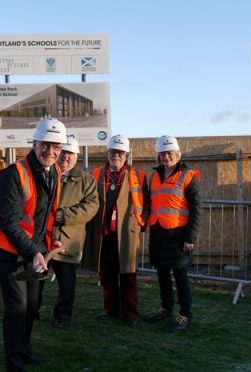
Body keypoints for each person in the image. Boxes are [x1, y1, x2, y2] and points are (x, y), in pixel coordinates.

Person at [0, 117, 67, 372]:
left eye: (56, 147)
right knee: (17, 307)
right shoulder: (13, 174)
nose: (50, 152)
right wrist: (33, 252)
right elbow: (9, 223)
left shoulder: (54, 172)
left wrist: (48, 240)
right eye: (46, 145)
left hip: (34, 251)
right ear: (35, 142)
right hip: (7, 250)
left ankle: (24, 348)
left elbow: (43, 215)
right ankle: (14, 362)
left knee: (32, 306)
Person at [83, 134, 150, 327]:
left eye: (120, 152)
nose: (116, 156)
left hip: (126, 233)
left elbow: (147, 203)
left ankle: (130, 313)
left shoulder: (138, 176)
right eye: (113, 152)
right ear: (107, 153)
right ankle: (110, 309)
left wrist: (140, 223)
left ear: (126, 155)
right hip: (104, 233)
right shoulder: (96, 174)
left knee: (128, 274)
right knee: (107, 274)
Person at [146, 135, 201, 332]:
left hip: (178, 235)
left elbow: (196, 209)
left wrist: (190, 238)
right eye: (162, 153)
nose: (166, 157)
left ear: (177, 154)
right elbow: (147, 203)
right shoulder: (153, 176)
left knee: (180, 276)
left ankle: (185, 314)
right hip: (158, 232)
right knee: (161, 273)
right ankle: (166, 308)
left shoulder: (188, 176)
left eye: (169, 153)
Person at [49, 138, 99, 329]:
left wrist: (65, 215)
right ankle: (32, 311)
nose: (65, 157)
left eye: (70, 154)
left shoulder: (86, 180)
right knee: (38, 278)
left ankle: (63, 315)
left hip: (68, 240)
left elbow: (92, 206)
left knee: (66, 283)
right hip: (44, 238)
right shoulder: (47, 174)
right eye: (63, 152)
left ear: (76, 156)